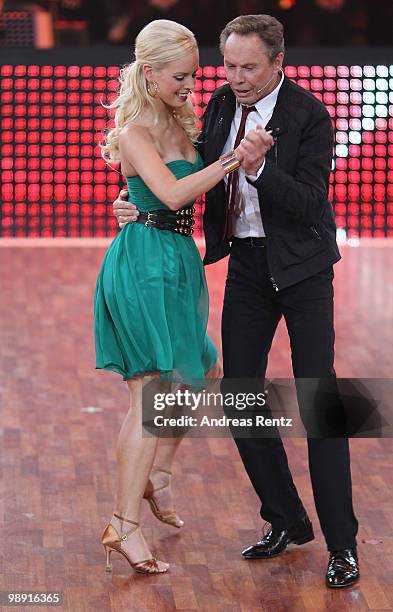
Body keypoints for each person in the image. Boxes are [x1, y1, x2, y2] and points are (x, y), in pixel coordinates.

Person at [113, 14, 360, 588]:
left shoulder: (309, 115)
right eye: (229, 65)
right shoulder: (221, 106)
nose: (237, 77)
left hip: (302, 270)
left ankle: (342, 545)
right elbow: (174, 169)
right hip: (248, 269)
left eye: (250, 67)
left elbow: (310, 204)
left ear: (278, 63)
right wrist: (136, 205)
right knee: (241, 396)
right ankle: (287, 520)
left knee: (318, 399)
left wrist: (261, 166)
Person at [95, 18, 268, 575]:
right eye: (179, 77)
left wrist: (128, 196)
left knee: (201, 372)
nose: (189, 86)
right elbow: (169, 192)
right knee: (148, 397)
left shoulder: (179, 115)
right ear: (149, 72)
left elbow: (147, 190)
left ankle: (157, 477)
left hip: (177, 262)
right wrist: (233, 160)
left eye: (193, 75)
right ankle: (123, 526)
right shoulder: (135, 128)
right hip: (143, 263)